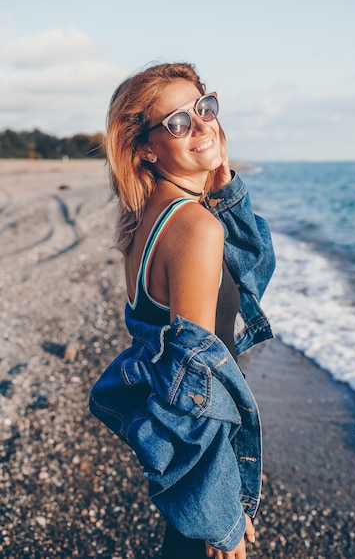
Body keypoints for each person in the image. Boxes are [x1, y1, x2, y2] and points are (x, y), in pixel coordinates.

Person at [89, 62, 276, 558]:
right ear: (145, 147)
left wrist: (223, 181)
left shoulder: (149, 213)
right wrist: (220, 514)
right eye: (176, 121)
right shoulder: (195, 228)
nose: (200, 125)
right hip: (201, 457)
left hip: (188, 456)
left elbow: (252, 266)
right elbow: (194, 386)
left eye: (204, 108)